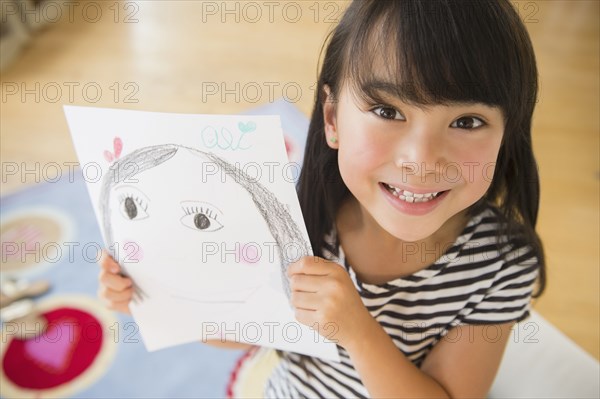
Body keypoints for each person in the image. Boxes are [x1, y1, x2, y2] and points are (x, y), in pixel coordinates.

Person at [99, 0, 546, 397]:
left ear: (508, 132)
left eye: (467, 121)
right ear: (332, 118)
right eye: (389, 111)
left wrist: (358, 332)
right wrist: (155, 294)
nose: (421, 161)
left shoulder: (501, 263)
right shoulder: (297, 212)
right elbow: (241, 330)